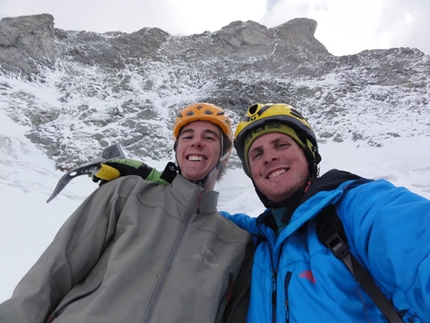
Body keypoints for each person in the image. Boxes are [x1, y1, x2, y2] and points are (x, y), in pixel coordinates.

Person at [95, 102, 430, 322]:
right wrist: (158, 181)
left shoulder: (357, 208)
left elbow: (417, 250)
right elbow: (200, 219)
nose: (268, 157)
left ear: (309, 155)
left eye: (281, 145)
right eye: (256, 154)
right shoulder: (256, 238)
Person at [0, 103, 253, 323]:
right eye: (187, 136)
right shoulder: (127, 193)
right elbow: (55, 268)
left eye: (209, 137)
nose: (196, 142)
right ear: (177, 150)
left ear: (224, 155)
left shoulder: (234, 243)